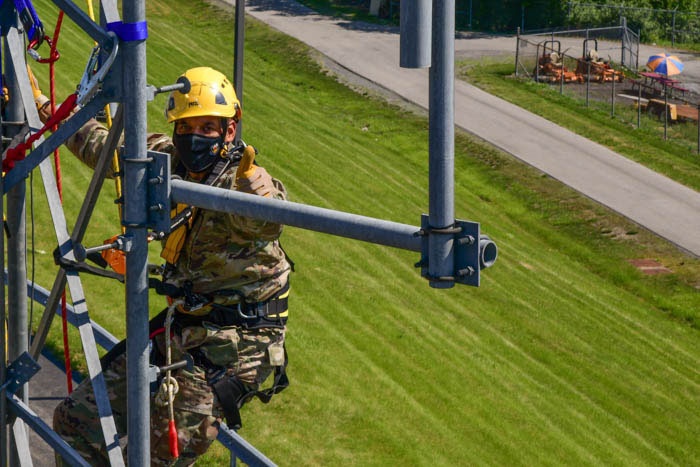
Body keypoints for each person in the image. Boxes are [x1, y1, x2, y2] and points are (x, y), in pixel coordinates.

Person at [35, 66, 293, 465]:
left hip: (236, 344)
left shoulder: (239, 182)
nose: (196, 137)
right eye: (187, 126)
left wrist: (258, 193)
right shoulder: (170, 162)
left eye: (208, 127)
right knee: (76, 423)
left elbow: (267, 216)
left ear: (230, 130)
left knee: (156, 456)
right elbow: (107, 148)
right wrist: (44, 108)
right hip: (185, 324)